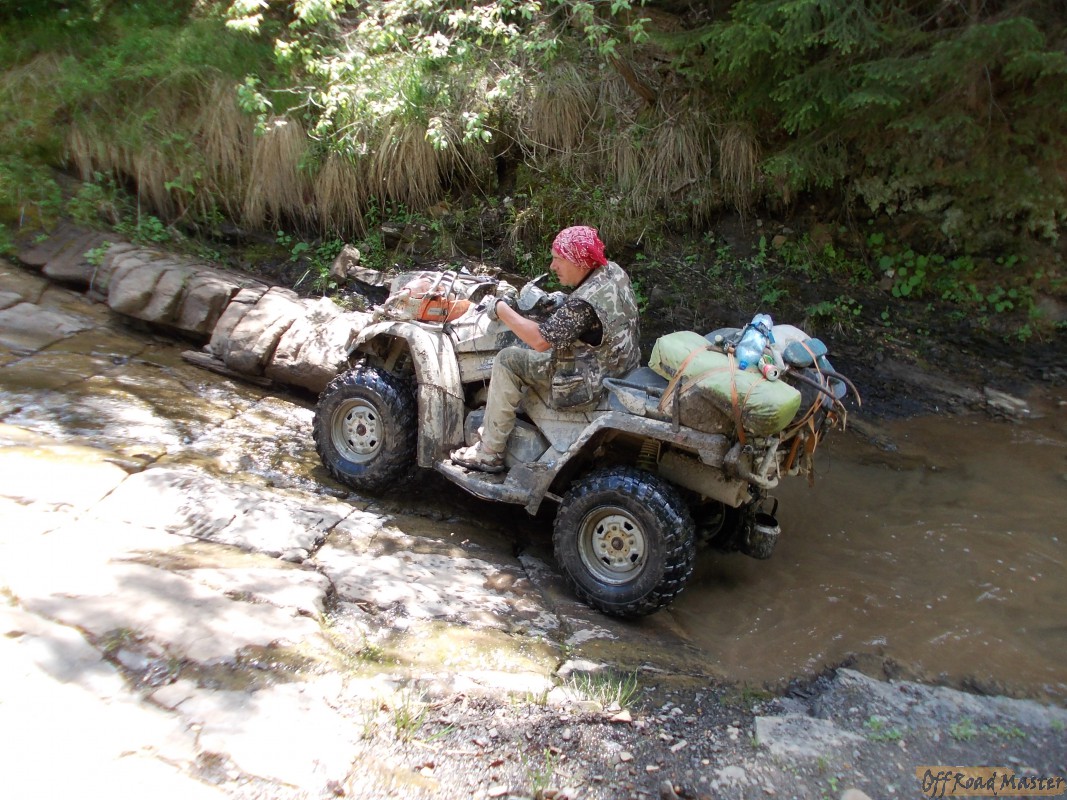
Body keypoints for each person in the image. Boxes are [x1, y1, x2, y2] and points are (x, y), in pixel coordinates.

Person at [450, 225, 641, 473]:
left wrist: (499, 308)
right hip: (620, 366)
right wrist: (560, 304)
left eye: (558, 259)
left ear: (579, 261)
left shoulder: (581, 306)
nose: (552, 266)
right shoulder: (612, 271)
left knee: (508, 359)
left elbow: (539, 340)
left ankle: (488, 452)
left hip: (588, 383)